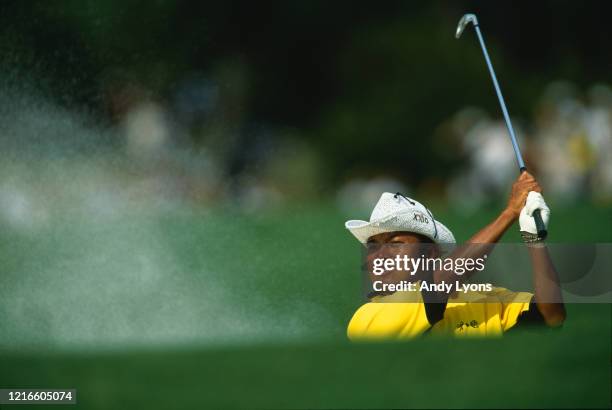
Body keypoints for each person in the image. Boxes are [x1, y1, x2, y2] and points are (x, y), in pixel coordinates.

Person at [345, 172, 566, 339]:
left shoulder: (480, 298)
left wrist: (534, 240)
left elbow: (551, 315)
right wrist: (509, 213)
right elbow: (438, 286)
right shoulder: (365, 320)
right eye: (373, 246)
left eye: (395, 245)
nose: (379, 257)